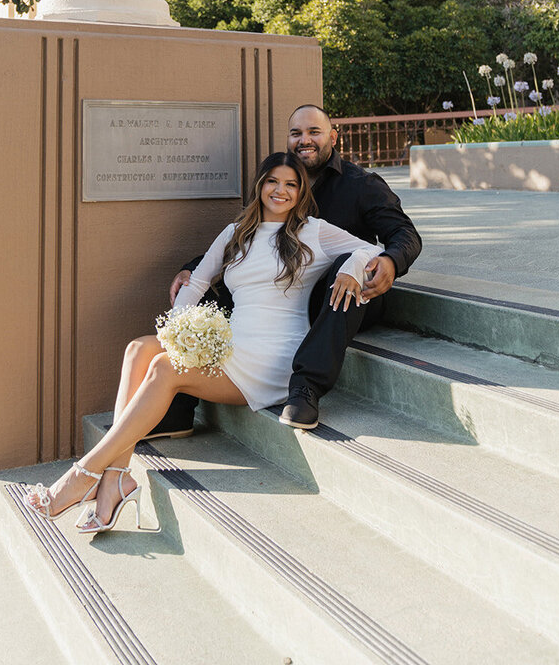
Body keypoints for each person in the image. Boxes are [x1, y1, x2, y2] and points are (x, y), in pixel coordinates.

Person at [24, 151, 378, 534]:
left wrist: (351, 268)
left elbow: (370, 249)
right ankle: (115, 479)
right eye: (273, 181)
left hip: (274, 355)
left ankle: (83, 474)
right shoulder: (236, 233)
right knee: (140, 349)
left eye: (292, 184)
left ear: (301, 191)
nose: (281, 190)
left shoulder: (313, 230)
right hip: (233, 342)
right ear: (260, 185)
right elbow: (197, 282)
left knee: (162, 367)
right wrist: (175, 333)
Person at [162, 103, 422, 433]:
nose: (305, 140)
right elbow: (253, 241)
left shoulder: (362, 184)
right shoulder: (280, 184)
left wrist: (389, 260)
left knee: (344, 265)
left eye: (314, 132)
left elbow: (405, 235)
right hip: (288, 295)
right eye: (296, 133)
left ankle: (306, 387)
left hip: (346, 297)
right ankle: (180, 405)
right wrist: (194, 268)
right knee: (219, 285)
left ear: (333, 136)